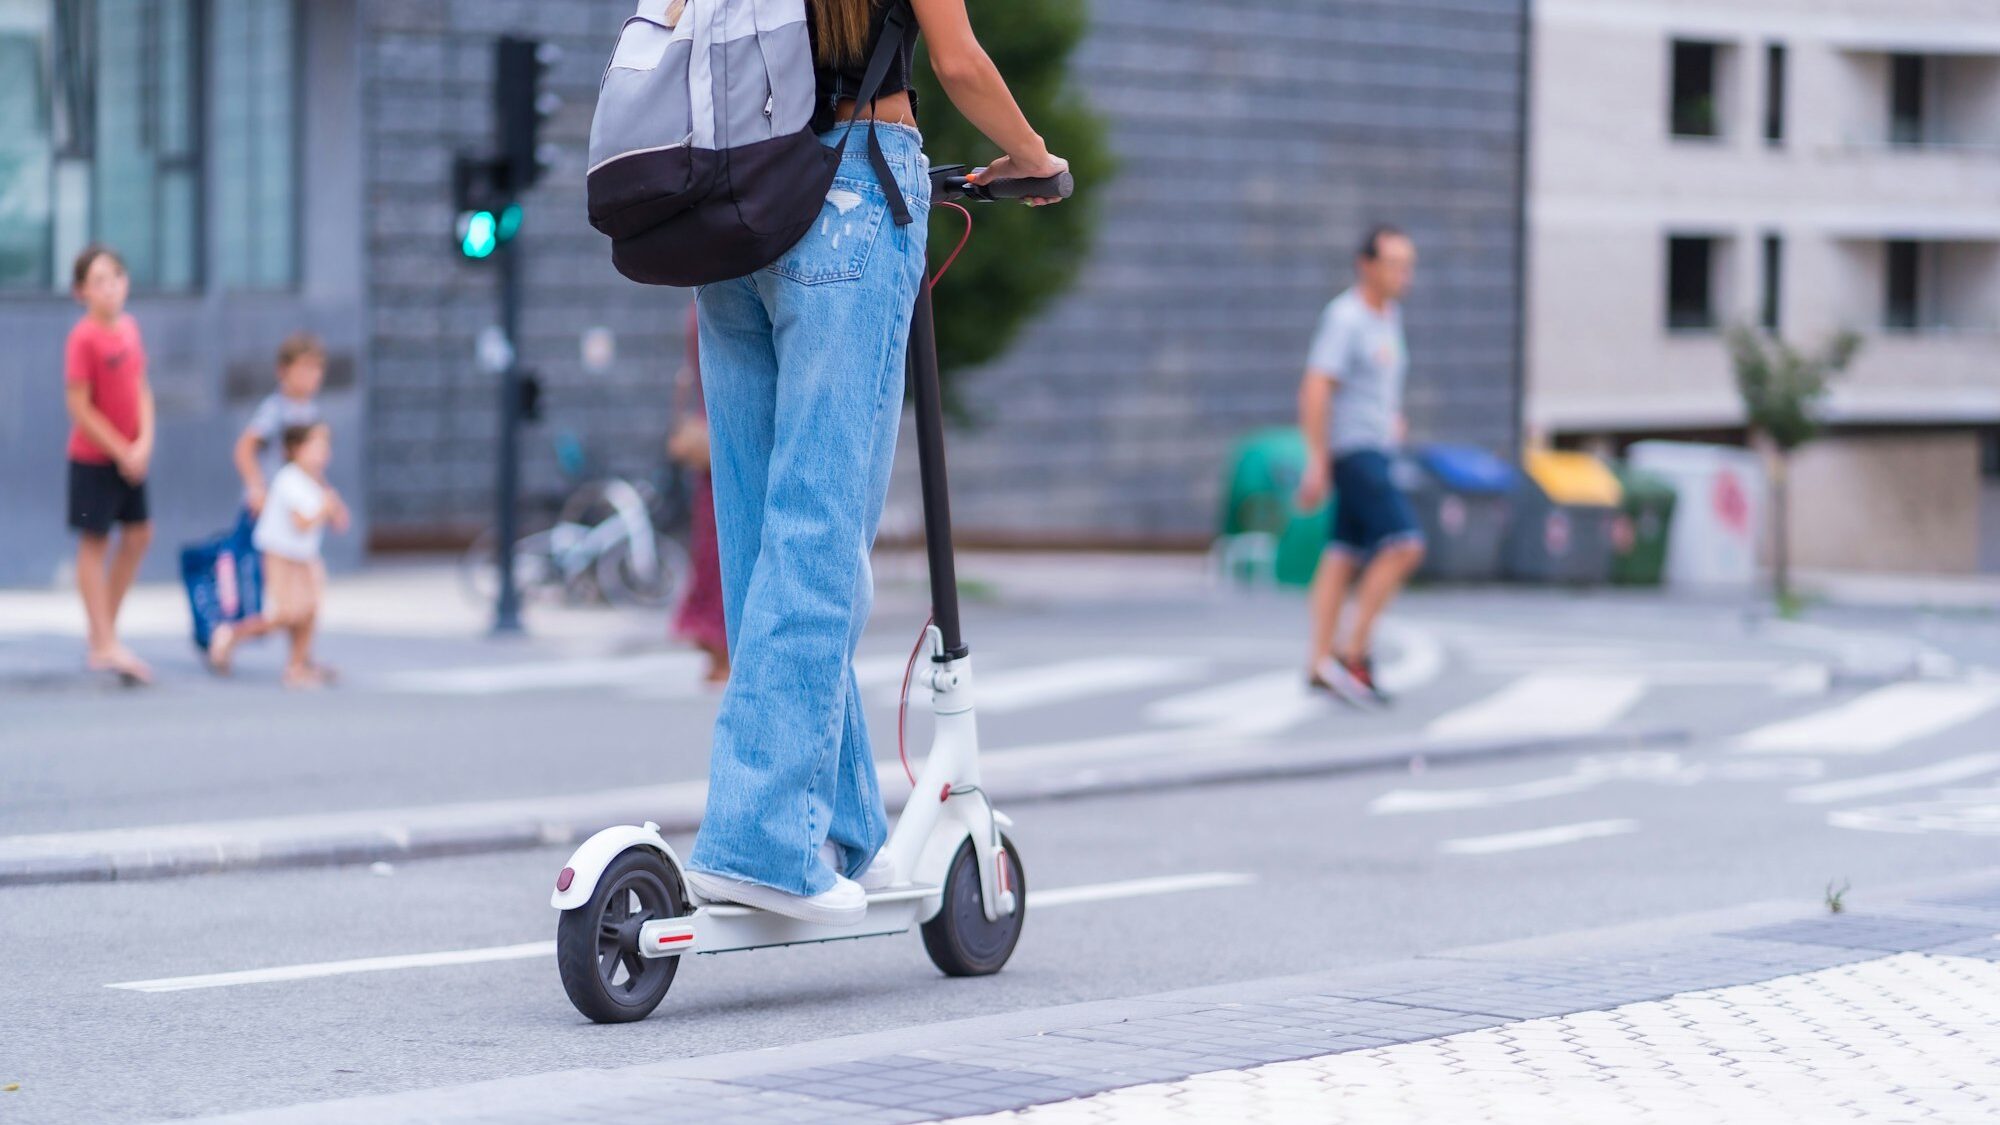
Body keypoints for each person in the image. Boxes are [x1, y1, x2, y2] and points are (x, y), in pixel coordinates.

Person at [683, 0, 1068, 925]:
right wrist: (1037, 160)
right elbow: (960, 61)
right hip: (850, 192)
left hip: (726, 209)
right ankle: (759, 840)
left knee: (760, 537)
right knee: (817, 530)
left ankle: (841, 827)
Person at [1295, 227, 1426, 707]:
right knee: (1404, 544)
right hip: (1354, 451)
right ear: (1365, 265)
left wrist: (1392, 417)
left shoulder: (1389, 317)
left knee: (1343, 552)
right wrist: (1317, 459)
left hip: (1376, 445)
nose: (1403, 274)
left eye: (1408, 264)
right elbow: (1316, 386)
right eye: (1394, 263)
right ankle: (1353, 652)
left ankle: (1318, 664)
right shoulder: (1346, 318)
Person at [63, 245, 156, 686]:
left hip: (131, 459)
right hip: (93, 461)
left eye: (115, 276)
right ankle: (103, 643)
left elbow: (140, 388)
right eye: (98, 280)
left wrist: (143, 445)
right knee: (94, 544)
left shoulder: (131, 329)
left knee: (139, 535)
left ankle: (105, 633)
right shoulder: (83, 338)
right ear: (81, 291)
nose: (110, 287)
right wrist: (121, 449)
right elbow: (79, 407)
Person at [210, 423, 349, 687]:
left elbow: (339, 521)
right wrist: (325, 509)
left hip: (305, 554)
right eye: (315, 446)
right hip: (281, 553)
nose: (322, 453)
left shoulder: (316, 481)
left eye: (325, 447)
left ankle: (297, 666)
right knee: (284, 614)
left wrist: (333, 508)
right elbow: (302, 523)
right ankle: (230, 634)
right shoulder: (289, 479)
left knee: (310, 610)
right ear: (296, 449)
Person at [668, 305, 729, 686]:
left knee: (713, 546)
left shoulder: (701, 302)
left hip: (713, 435)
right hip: (720, 437)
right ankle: (721, 644)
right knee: (718, 547)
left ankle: (719, 643)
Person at [234, 333, 326, 517]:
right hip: (267, 509)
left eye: (316, 368)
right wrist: (257, 489)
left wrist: (326, 496)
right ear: (283, 371)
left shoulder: (311, 412)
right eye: (304, 368)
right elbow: (244, 448)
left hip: (293, 509)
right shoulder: (275, 409)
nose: (311, 375)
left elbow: (309, 464)